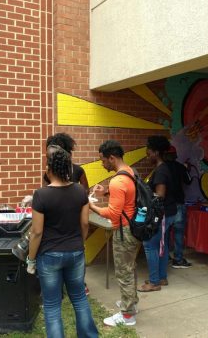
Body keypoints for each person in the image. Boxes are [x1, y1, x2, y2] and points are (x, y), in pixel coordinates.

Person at [26, 145, 98, 338]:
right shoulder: (80, 191)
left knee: (52, 305)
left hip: (49, 255)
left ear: (49, 169)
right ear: (68, 169)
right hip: (75, 252)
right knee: (80, 299)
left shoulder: (41, 195)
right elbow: (84, 224)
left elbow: (37, 232)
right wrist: (79, 244)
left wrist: (31, 260)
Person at [89, 140, 140, 327]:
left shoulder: (117, 181)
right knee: (129, 268)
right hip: (133, 229)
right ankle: (131, 303)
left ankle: (127, 316)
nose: (102, 164)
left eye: (103, 160)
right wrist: (106, 192)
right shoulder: (129, 172)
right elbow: (126, 195)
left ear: (112, 157)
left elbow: (112, 213)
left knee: (123, 273)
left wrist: (91, 205)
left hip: (123, 231)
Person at [45, 132, 90, 295]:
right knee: (75, 250)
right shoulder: (75, 171)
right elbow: (85, 191)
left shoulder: (77, 170)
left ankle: (68, 285)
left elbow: (47, 191)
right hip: (74, 217)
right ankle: (79, 285)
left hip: (58, 218)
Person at [138, 136, 177, 292]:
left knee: (150, 245)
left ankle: (154, 282)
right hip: (169, 213)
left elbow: (160, 195)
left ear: (155, 152)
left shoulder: (161, 171)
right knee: (162, 244)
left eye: (148, 154)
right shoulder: (164, 168)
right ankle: (161, 278)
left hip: (162, 214)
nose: (147, 157)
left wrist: (143, 195)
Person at [163, 145, 193, 269]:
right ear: (175, 156)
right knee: (179, 233)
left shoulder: (161, 168)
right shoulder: (180, 167)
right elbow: (188, 181)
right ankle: (178, 259)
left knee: (164, 234)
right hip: (179, 204)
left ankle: (165, 257)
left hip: (166, 205)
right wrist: (187, 169)